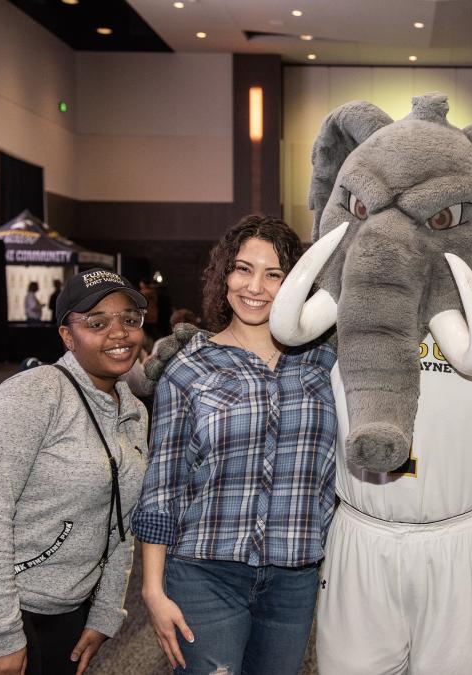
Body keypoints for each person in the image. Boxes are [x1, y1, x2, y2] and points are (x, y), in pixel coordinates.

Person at [131, 215, 336, 675]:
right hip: (205, 572)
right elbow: (163, 485)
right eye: (243, 269)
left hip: (294, 575)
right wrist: (152, 588)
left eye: (274, 274)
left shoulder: (325, 362)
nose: (255, 287)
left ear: (295, 283)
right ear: (224, 275)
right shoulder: (189, 368)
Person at [0, 268, 149, 675]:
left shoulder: (134, 412)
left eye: (129, 319)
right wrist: (1, 632)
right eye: (97, 322)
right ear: (67, 336)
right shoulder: (32, 395)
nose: (119, 332)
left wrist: (105, 612)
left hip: (66, 613)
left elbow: (122, 524)